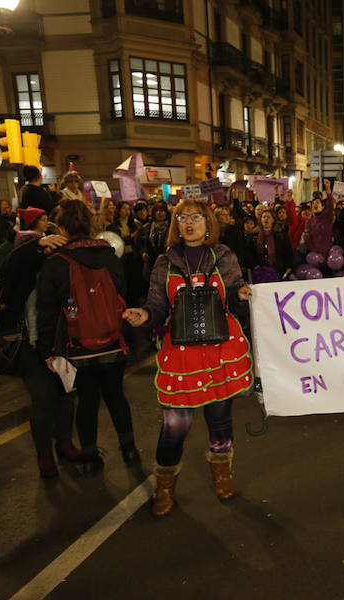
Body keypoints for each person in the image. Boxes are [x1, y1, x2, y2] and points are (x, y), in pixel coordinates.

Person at [124, 199, 253, 516]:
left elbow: (236, 293)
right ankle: (164, 488)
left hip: (221, 350)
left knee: (219, 421)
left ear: (208, 223)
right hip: (181, 355)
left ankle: (222, 476)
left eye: (196, 217)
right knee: (174, 426)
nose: (189, 222)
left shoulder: (223, 256)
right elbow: (157, 305)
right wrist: (144, 315)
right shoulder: (164, 262)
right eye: (182, 217)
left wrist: (240, 294)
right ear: (176, 224)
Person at [36, 200, 137, 476]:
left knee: (88, 400)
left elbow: (45, 311)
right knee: (116, 396)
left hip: (77, 345)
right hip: (114, 342)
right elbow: (122, 295)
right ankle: (129, 449)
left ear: (63, 227)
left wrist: (46, 350)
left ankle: (91, 457)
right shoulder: (110, 256)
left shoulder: (55, 263)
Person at [0, 229, 80, 477]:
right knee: (43, 402)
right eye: (44, 249)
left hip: (62, 346)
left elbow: (72, 306)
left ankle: (64, 441)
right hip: (31, 346)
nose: (48, 253)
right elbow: (12, 264)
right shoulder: (21, 279)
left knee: (66, 397)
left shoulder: (59, 272)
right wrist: (38, 243)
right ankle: (44, 454)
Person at [245, 209, 292, 281]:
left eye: (268, 217)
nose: (266, 219)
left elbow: (288, 251)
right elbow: (249, 252)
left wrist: (289, 266)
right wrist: (254, 266)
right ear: (260, 220)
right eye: (264, 217)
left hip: (278, 269)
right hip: (260, 271)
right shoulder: (254, 236)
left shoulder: (281, 235)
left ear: (273, 220)